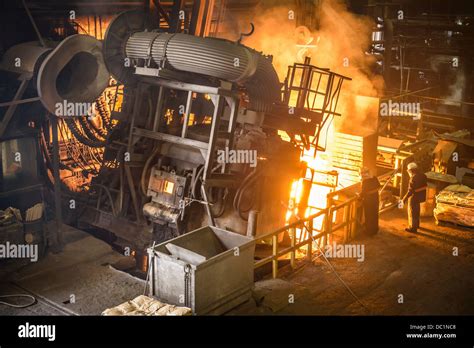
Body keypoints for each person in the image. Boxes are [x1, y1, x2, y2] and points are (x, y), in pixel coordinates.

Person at [402, 162, 427, 233]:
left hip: (414, 197)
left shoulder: (413, 178)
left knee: (412, 212)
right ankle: (417, 225)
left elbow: (410, 191)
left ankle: (413, 228)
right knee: (417, 211)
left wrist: (404, 199)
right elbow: (425, 186)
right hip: (420, 196)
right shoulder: (423, 175)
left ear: (411, 170)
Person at [359, 167, 381, 236]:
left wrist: (359, 196)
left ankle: (369, 231)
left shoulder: (365, 181)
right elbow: (379, 186)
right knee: (374, 214)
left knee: (369, 215)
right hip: (375, 199)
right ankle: (375, 229)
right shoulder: (374, 178)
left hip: (368, 201)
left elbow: (363, 192)